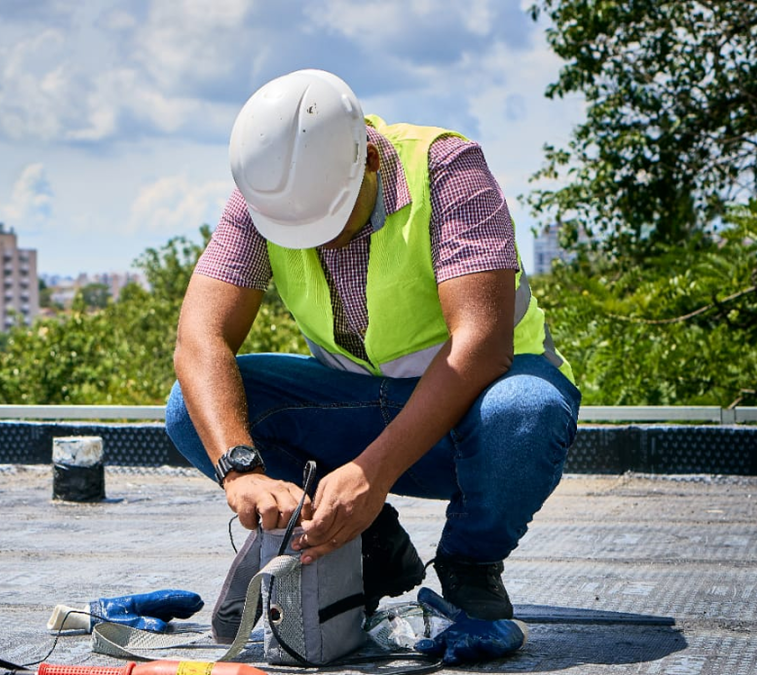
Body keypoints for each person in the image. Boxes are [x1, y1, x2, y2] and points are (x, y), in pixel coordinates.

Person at [165, 69, 581, 621]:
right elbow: (200, 339)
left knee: (524, 412)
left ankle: (469, 566)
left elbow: (481, 346)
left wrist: (373, 474)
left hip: (472, 418)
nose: (312, 239)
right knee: (190, 409)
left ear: (371, 162)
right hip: (361, 409)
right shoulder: (263, 201)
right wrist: (242, 470)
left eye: (326, 220)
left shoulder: (448, 170)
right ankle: (371, 546)